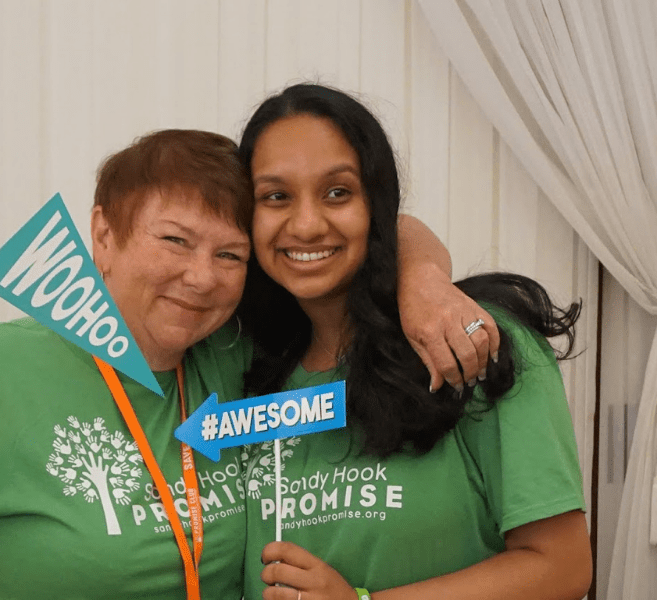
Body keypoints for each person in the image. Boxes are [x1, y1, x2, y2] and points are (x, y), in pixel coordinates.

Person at [0, 128, 495, 599]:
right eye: (175, 240)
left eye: (230, 255)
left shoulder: (236, 355)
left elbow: (381, 229)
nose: (201, 278)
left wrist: (424, 283)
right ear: (103, 235)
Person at [236, 84, 592, 600]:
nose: (307, 224)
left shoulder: (473, 338)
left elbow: (561, 567)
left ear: (376, 204)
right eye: (275, 196)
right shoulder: (247, 363)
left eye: (338, 192)